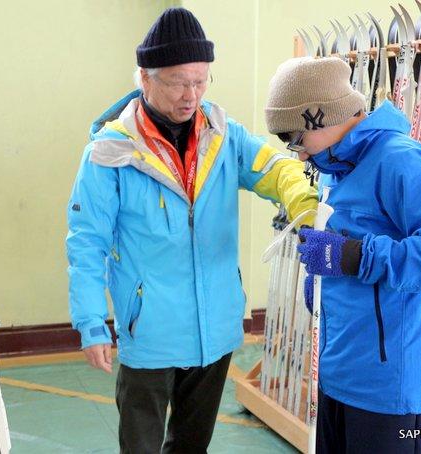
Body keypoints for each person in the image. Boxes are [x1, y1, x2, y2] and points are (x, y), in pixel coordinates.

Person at [66, 8, 316, 453]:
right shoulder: (109, 154)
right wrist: (90, 323)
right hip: (150, 332)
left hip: (215, 328)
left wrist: (300, 196)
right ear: (145, 78)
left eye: (201, 81)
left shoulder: (223, 136)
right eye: (180, 82)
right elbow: (87, 243)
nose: (192, 95)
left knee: (191, 446)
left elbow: (274, 168)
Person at [264, 56, 421, 454]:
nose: (296, 154)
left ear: (319, 118)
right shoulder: (337, 167)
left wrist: (356, 257)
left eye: (294, 138)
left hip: (387, 392)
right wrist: (327, 275)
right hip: (339, 375)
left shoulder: (399, 161)